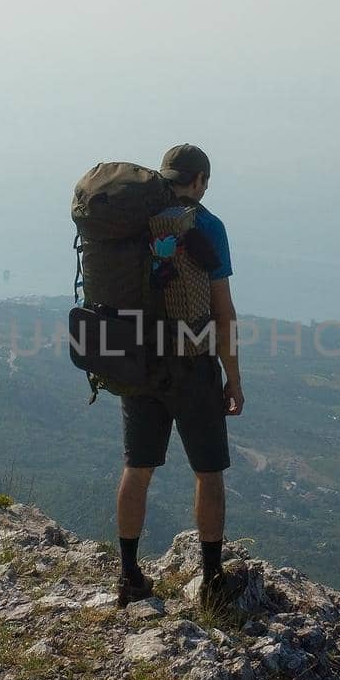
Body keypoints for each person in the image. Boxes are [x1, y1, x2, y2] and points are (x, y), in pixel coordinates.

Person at [116, 143, 244, 608]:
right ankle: (212, 582)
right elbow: (223, 311)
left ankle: (129, 576)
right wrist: (233, 376)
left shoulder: (133, 223)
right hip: (192, 365)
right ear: (201, 181)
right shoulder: (207, 226)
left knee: (138, 466)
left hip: (138, 361)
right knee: (207, 471)